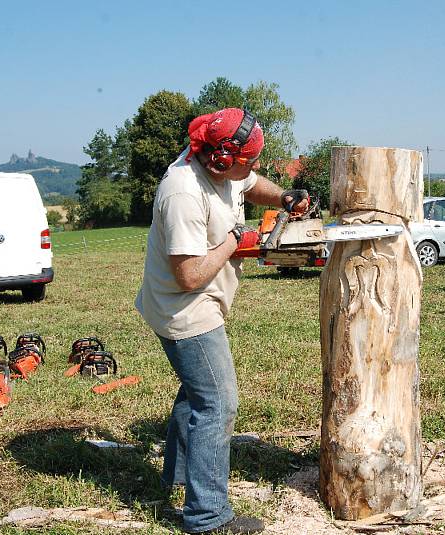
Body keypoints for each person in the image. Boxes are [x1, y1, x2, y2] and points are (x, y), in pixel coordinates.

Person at [135, 108, 309, 534]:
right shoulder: (182, 192)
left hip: (198, 301)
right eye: (248, 161)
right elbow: (189, 274)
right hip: (185, 308)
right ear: (221, 159)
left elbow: (251, 184)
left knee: (197, 392)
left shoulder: (227, 168)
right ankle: (208, 517)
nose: (253, 169)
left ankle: (178, 477)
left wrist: (284, 197)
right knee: (217, 402)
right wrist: (235, 240)